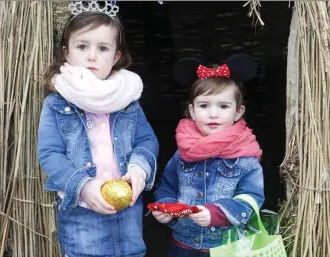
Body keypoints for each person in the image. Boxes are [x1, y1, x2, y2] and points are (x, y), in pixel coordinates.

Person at [37, 2, 159, 257]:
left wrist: (139, 169)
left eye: (102, 48)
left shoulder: (127, 100)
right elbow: (50, 154)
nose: (92, 55)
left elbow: (147, 140)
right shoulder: (57, 103)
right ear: (67, 53)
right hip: (83, 216)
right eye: (82, 46)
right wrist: (82, 185)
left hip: (128, 215)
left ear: (116, 56)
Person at [153, 54, 264, 257]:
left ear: (238, 112)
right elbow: (167, 185)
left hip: (226, 247)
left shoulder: (245, 157)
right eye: (204, 105)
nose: (213, 114)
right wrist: (165, 206)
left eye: (223, 106)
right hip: (183, 245)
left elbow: (253, 197)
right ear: (192, 111)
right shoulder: (182, 153)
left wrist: (219, 214)